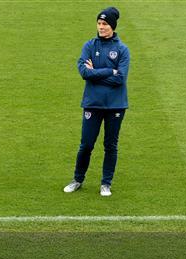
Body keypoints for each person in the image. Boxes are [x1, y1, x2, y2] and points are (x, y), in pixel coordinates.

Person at [64, 6, 130, 196]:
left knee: (110, 145)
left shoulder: (122, 50)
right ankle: (77, 179)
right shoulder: (89, 46)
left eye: (105, 24)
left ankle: (106, 183)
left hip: (115, 105)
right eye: (99, 23)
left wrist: (96, 73)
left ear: (112, 26)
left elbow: (121, 79)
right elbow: (85, 72)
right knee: (86, 145)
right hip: (92, 103)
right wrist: (110, 71)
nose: (101, 27)